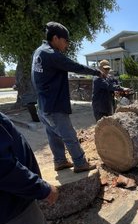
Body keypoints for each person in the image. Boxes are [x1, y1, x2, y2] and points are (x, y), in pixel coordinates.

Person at [32, 22, 100, 173]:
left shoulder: (39, 52)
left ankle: (60, 161)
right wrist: (97, 72)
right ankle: (80, 162)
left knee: (53, 135)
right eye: (65, 41)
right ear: (55, 38)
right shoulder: (51, 54)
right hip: (54, 105)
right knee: (69, 135)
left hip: (43, 105)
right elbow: (74, 66)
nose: (67, 45)